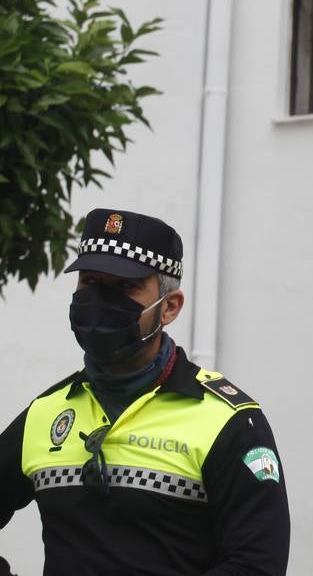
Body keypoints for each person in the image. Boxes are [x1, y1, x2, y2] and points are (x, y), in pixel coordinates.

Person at [0, 208, 290, 575]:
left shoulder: (228, 421)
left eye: (124, 287)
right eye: (90, 281)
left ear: (169, 307)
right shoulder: (47, 412)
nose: (101, 300)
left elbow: (258, 563)